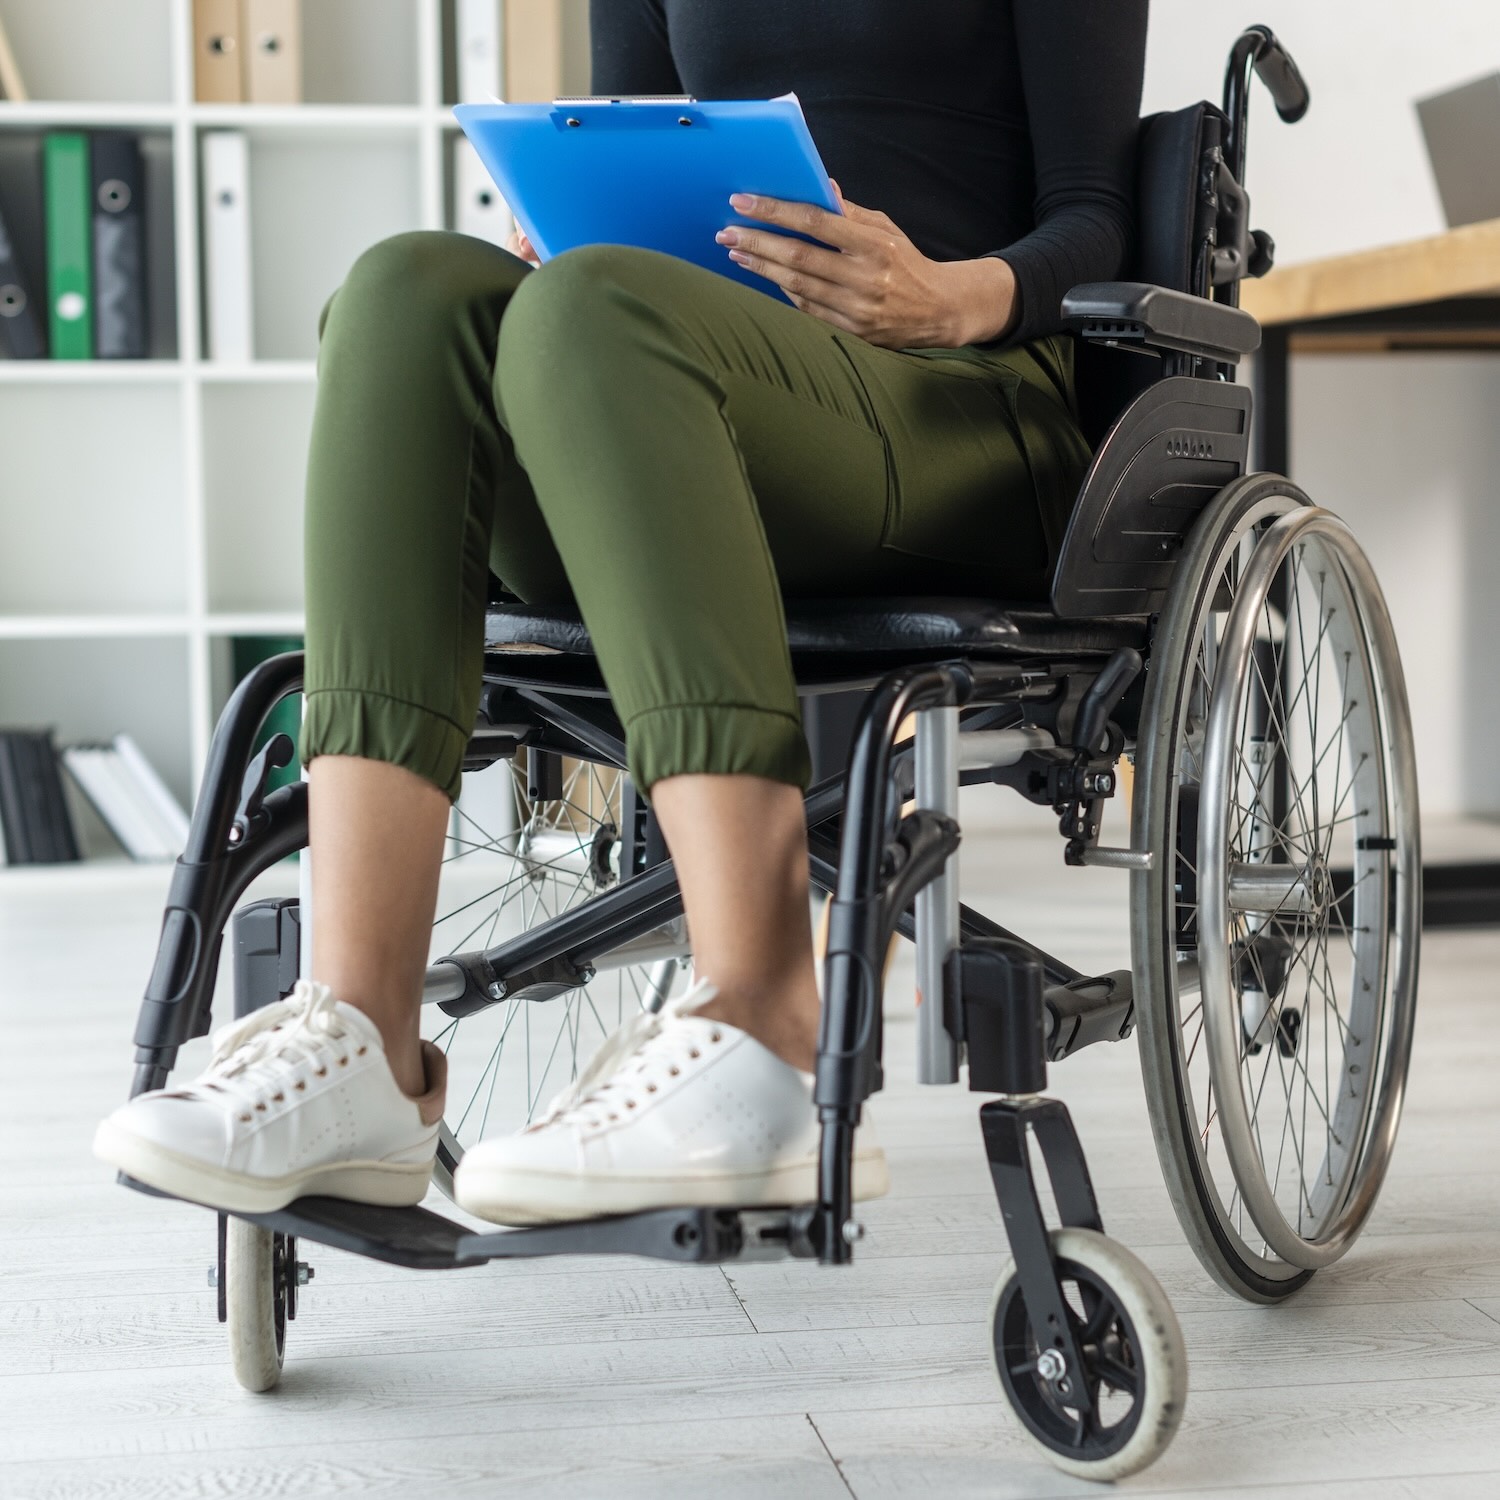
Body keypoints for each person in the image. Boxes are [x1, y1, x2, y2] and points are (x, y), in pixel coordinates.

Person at [94, 1, 1148, 1226]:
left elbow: (1098, 217)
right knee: (405, 290)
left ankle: (760, 1021)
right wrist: (562, 238)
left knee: (598, 312)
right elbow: (621, 158)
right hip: (686, 387)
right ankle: (363, 1047)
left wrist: (941, 297)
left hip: (964, 403)